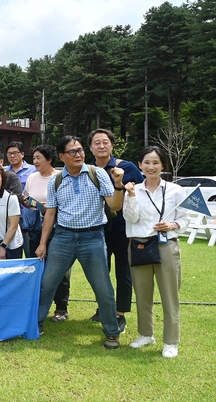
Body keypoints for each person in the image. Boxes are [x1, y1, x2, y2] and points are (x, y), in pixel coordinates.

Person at [36, 135, 125, 349]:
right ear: (61, 156)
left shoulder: (98, 174)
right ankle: (36, 323)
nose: (79, 154)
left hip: (92, 238)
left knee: (102, 288)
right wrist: (42, 243)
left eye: (80, 150)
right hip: (63, 238)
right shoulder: (56, 180)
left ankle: (112, 333)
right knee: (47, 284)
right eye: (72, 151)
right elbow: (50, 213)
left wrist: (119, 185)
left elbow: (115, 205)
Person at [123, 146, 189, 358]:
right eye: (147, 163)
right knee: (142, 294)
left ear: (163, 166)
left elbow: (186, 218)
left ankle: (171, 341)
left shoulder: (175, 190)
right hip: (139, 245)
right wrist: (131, 195)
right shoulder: (133, 189)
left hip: (165, 245)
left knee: (170, 295)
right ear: (140, 165)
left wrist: (172, 225)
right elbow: (131, 218)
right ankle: (145, 334)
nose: (151, 167)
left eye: (155, 163)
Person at [88, 128, 144, 332]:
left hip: (122, 228)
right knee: (100, 272)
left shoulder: (127, 167)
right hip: (95, 228)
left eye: (105, 142)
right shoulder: (87, 169)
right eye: (97, 142)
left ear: (112, 145)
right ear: (91, 147)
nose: (101, 146)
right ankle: (103, 307)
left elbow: (142, 192)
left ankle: (119, 313)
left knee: (123, 271)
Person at [23, 145, 68, 322]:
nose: (35, 162)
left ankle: (61, 308)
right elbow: (26, 197)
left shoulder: (60, 177)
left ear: (49, 159)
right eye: (33, 158)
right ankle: (39, 306)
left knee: (59, 270)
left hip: (58, 229)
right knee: (39, 267)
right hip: (35, 229)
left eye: (38, 158)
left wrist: (50, 207)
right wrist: (30, 203)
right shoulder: (32, 177)